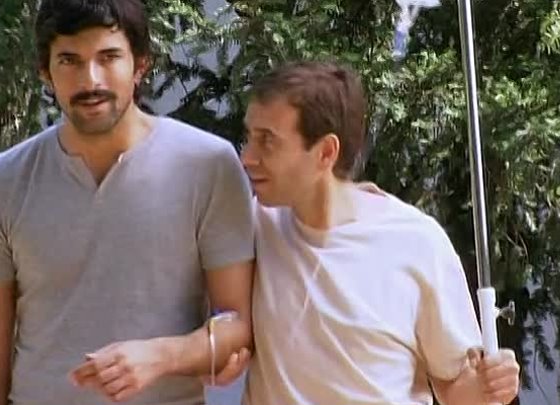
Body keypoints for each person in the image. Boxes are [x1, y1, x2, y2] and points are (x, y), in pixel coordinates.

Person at [83, 61, 521, 404]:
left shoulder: (416, 242)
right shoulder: (254, 225)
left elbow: (455, 389)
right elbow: (221, 329)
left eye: (267, 140)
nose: (247, 157)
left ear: (325, 152)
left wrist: (490, 386)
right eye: (249, 137)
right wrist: (206, 358)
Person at [0, 1, 254, 404]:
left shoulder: (208, 165)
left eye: (109, 57)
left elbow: (237, 323)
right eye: (69, 60)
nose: (90, 79)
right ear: (45, 72)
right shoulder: (2, 181)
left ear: (140, 64)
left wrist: (161, 356)